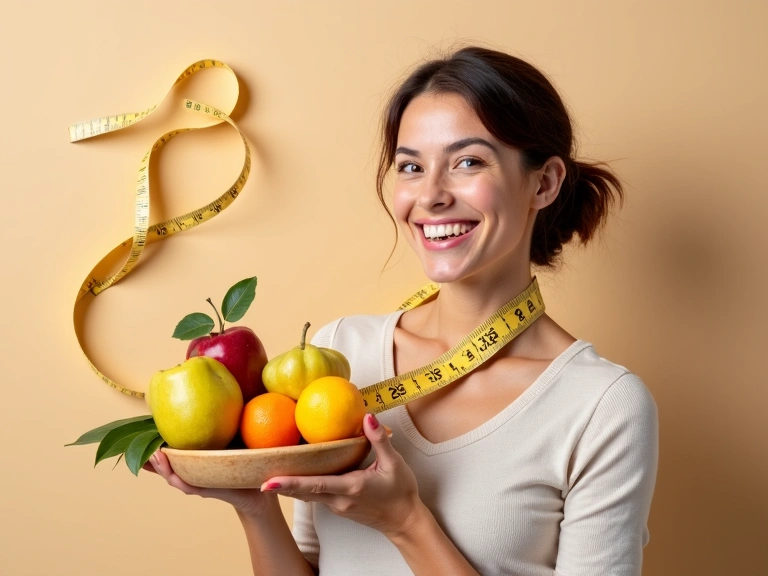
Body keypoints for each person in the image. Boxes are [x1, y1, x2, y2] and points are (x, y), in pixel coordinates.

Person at [146, 46, 659, 575]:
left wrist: (405, 522)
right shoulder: (340, 352)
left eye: (468, 162)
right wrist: (255, 506)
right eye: (411, 166)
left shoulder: (602, 407)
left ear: (544, 183)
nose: (430, 195)